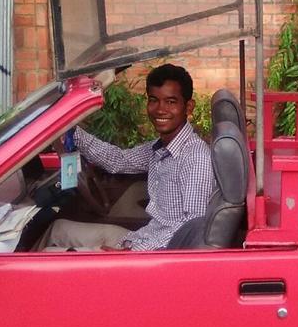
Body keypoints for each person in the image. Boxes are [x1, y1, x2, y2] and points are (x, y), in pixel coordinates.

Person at [42, 63, 214, 252]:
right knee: (57, 229)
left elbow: (191, 226)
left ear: (188, 107)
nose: (160, 109)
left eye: (171, 102)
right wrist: (72, 131)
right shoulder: (160, 148)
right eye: (154, 100)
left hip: (151, 255)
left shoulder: (195, 157)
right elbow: (118, 160)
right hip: (141, 237)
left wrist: (132, 253)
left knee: (47, 255)